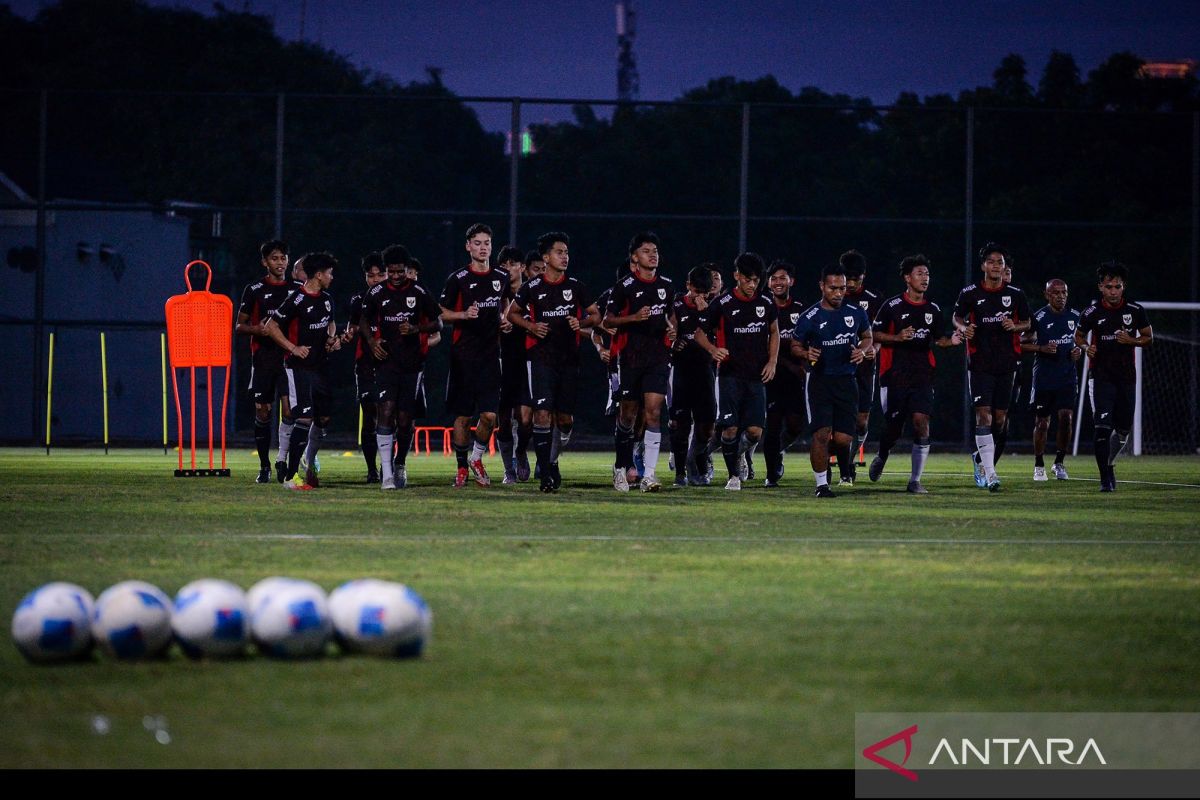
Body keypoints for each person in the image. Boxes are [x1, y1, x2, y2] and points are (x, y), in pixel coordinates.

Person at [506, 232, 599, 492]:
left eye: (567, 252)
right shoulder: (532, 287)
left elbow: (596, 314)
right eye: (559, 252)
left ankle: (553, 460)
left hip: (569, 360)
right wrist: (531, 326)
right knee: (542, 414)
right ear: (546, 258)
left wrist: (580, 322)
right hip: (540, 359)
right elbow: (512, 313)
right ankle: (545, 472)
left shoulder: (576, 286)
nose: (565, 257)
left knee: (565, 419)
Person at [867, 255, 962, 493]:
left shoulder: (933, 309)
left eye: (927, 274)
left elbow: (940, 339)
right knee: (893, 428)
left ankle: (915, 480)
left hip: (922, 376)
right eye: (920, 273)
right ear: (907, 278)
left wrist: (954, 339)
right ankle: (882, 454)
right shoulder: (891, 306)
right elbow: (873, 335)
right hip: (894, 376)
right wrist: (898, 338)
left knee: (922, 422)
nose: (925, 278)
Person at [691, 253, 779, 491]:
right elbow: (699, 333)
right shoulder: (723, 303)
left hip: (757, 376)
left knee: (754, 432)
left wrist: (772, 361)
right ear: (736, 276)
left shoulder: (766, 303)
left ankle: (736, 453)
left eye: (757, 280)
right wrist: (713, 349)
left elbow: (774, 331)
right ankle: (733, 477)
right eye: (748, 280)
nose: (753, 285)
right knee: (729, 428)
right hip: (729, 375)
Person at [361, 244, 443, 490]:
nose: (395, 276)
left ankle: (399, 464)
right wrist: (372, 341)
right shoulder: (376, 292)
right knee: (385, 411)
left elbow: (438, 322)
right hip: (386, 363)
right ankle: (386, 475)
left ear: (407, 270)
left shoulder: (418, 291)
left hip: (413, 364)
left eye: (400, 271)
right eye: (392, 271)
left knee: (405, 420)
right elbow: (363, 320)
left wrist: (417, 329)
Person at [439, 223, 514, 488]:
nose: (483, 248)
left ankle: (476, 458)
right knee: (462, 417)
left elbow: (505, 307)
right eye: (478, 243)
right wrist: (462, 315)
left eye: (487, 243)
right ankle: (461, 467)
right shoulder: (458, 278)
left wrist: (506, 321)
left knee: (490, 416)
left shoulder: (501, 277)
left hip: (491, 356)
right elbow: (441, 313)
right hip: (463, 357)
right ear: (468, 246)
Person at [791, 263, 874, 498]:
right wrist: (806, 353)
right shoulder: (810, 317)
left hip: (847, 381)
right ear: (822, 286)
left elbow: (867, 336)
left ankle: (839, 466)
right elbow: (795, 345)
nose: (838, 293)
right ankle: (821, 484)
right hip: (820, 381)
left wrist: (862, 349)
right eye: (833, 288)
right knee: (821, 433)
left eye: (842, 288)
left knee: (843, 439)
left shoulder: (856, 312)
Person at [952, 243, 1031, 492]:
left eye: (1001, 262)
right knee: (983, 415)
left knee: (1000, 420)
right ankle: (991, 472)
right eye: (992, 261)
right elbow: (956, 317)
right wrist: (964, 328)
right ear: (983, 265)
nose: (997, 266)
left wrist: (1015, 326)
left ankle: (980, 458)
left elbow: (1028, 322)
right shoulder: (970, 293)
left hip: (1007, 363)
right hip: (979, 363)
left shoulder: (1016, 294)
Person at [261, 252, 341, 490]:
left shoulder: (326, 299)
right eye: (329, 273)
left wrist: (332, 340)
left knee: (323, 418)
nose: (332, 277)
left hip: (321, 367)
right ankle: (291, 477)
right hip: (298, 369)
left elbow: (330, 323)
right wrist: (293, 348)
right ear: (318, 275)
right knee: (304, 416)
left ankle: (308, 460)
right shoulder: (296, 299)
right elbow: (271, 326)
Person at [604, 231, 675, 492]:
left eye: (655, 250)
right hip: (631, 358)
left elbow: (671, 316)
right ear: (635, 257)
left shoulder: (666, 285)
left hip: (658, 357)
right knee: (628, 415)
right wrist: (633, 318)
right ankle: (621, 467)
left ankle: (649, 474)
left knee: (654, 412)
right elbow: (607, 321)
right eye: (646, 251)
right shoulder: (624, 286)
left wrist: (672, 329)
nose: (652, 254)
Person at [1075, 261, 1153, 492]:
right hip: (1100, 376)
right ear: (1101, 287)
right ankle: (1104, 478)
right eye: (1108, 286)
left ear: (1123, 287)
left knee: (1123, 431)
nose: (1113, 291)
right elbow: (1078, 336)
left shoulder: (1135, 310)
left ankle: (1109, 464)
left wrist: (1133, 341)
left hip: (1127, 378)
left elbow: (1149, 337)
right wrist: (1086, 347)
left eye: (1117, 287)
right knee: (1101, 427)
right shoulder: (1092, 312)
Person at [235, 239, 294, 484]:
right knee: (263, 410)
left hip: (289, 358)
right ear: (265, 262)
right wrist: (257, 330)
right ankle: (264, 465)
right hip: (263, 359)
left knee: (290, 410)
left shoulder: (297, 288)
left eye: (283, 258)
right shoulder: (255, 289)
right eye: (274, 258)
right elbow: (239, 325)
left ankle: (283, 461)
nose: (279, 263)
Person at [1023, 278, 1082, 481]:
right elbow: (1021, 344)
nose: (1061, 297)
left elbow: (1079, 342)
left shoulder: (1075, 316)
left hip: (1067, 376)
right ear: (1047, 295)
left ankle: (1059, 463)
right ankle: (1039, 465)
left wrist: (1077, 352)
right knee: (1042, 423)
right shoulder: (1038, 317)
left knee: (1066, 418)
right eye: (1056, 293)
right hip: (1044, 378)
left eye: (1064, 292)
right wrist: (1041, 348)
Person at [668, 265, 717, 487]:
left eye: (705, 293)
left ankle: (693, 459)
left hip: (705, 371)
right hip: (681, 371)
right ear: (688, 286)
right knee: (680, 423)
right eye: (697, 291)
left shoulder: (712, 308)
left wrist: (704, 310)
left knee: (707, 426)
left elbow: (716, 337)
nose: (700, 297)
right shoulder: (676, 305)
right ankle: (681, 473)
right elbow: (669, 333)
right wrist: (673, 343)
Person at [838, 249, 883, 485]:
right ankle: (842, 465)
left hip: (864, 369)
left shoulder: (874, 301)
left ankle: (850, 459)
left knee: (861, 421)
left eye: (856, 278)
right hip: (837, 368)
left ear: (863, 276)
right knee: (837, 421)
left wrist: (874, 348)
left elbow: (880, 333)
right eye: (848, 278)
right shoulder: (835, 297)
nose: (852, 283)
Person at [762, 259, 807, 487]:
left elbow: (805, 341)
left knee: (796, 426)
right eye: (774, 278)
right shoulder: (762, 307)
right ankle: (771, 475)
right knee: (772, 424)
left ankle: (778, 450)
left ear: (792, 281)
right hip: (769, 377)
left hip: (794, 379)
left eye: (782, 278)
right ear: (768, 283)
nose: (778, 282)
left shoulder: (800, 309)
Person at [344, 251, 387, 482]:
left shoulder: (397, 297)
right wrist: (349, 335)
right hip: (366, 364)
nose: (376, 280)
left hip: (391, 364)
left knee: (389, 415)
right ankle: (372, 469)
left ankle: (391, 466)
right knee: (370, 414)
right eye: (371, 276)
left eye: (380, 275)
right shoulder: (357, 300)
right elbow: (352, 328)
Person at [494, 245, 528, 484]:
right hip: (501, 361)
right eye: (503, 265)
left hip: (527, 361)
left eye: (512, 264)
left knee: (526, 418)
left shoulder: (534, 293)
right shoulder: (495, 295)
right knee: (503, 419)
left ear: (522, 267)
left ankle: (521, 451)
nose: (507, 269)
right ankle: (508, 470)